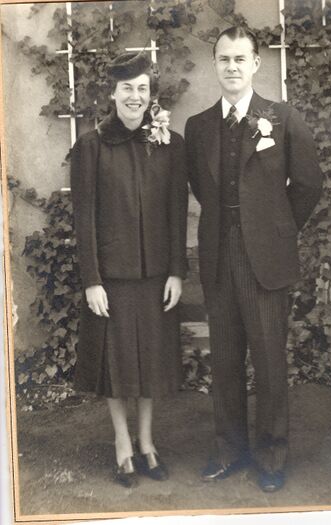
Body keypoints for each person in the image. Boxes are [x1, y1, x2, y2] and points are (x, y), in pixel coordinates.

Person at [185, 26, 322, 492]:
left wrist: (278, 230)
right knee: (224, 360)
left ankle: (270, 455)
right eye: (224, 59)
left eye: (240, 59)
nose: (231, 67)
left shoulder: (281, 118)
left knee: (268, 361)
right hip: (218, 256)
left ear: (256, 64)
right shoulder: (199, 126)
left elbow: (308, 184)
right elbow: (201, 186)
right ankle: (229, 450)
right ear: (215, 64)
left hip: (266, 259)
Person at [70, 51, 188, 487]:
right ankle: (122, 443)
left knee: (150, 363)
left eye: (142, 88)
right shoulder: (91, 146)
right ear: (113, 93)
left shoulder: (170, 144)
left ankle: (147, 442)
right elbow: (84, 218)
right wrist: (92, 281)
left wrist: (176, 271)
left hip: (156, 276)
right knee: (117, 365)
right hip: (112, 279)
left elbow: (177, 211)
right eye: (127, 89)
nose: (135, 97)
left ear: (150, 93)